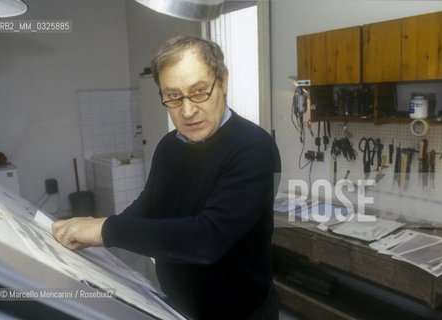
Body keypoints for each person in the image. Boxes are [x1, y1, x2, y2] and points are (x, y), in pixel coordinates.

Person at [52, 35, 281, 320]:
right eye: (173, 96)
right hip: (176, 305)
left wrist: (104, 229)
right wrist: (93, 234)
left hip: (240, 311)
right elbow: (149, 206)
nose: (187, 111)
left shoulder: (254, 148)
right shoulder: (170, 145)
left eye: (199, 91)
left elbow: (207, 239)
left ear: (223, 80)